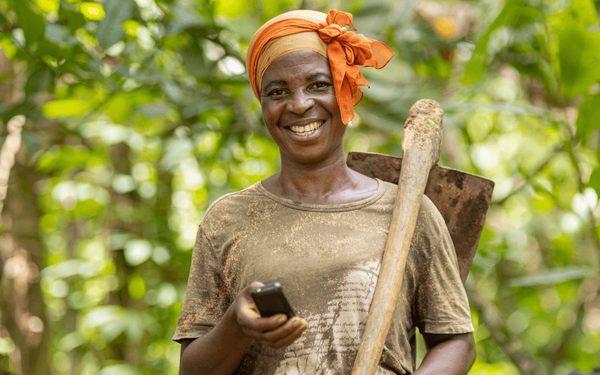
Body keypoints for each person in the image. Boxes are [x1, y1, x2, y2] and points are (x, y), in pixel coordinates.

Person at [174, 9, 476, 375]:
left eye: (318, 85)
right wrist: (235, 327)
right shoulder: (228, 219)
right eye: (278, 91)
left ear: (345, 92)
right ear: (264, 106)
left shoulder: (409, 211)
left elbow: (455, 342)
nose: (299, 104)